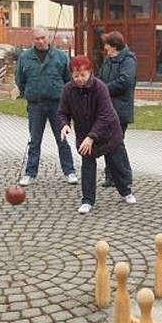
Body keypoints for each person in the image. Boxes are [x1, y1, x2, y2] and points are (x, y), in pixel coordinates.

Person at [58, 55, 136, 214]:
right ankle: (87, 200)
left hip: (108, 133)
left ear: (90, 72)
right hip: (84, 134)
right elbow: (62, 112)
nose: (79, 79)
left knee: (116, 164)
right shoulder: (68, 90)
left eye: (83, 75)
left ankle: (125, 191)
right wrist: (65, 125)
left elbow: (105, 115)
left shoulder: (100, 87)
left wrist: (92, 137)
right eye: (76, 76)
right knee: (87, 166)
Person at [15, 27, 77, 186]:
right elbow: (20, 79)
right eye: (37, 38)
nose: (40, 41)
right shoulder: (25, 57)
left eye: (43, 38)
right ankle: (30, 173)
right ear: (33, 39)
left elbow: (68, 80)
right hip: (35, 104)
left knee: (62, 139)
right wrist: (28, 92)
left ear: (49, 37)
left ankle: (70, 171)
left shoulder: (61, 57)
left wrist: (66, 99)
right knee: (34, 140)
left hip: (57, 104)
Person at [96, 31, 136, 188]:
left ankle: (125, 176)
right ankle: (111, 176)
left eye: (107, 44)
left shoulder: (128, 60)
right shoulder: (108, 60)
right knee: (108, 142)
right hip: (106, 108)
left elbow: (125, 81)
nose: (105, 47)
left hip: (120, 108)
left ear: (114, 45)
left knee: (117, 143)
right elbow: (100, 77)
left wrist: (103, 89)